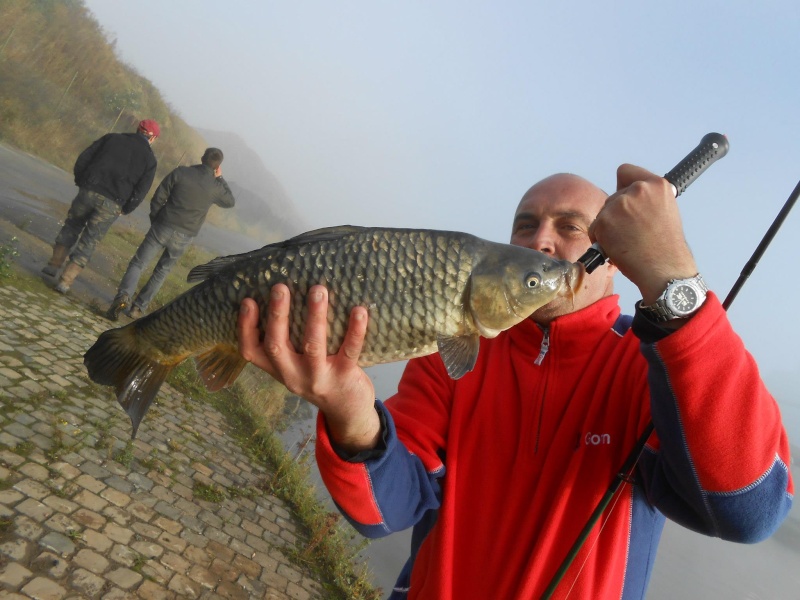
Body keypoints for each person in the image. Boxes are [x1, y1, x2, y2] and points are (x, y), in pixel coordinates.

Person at [236, 164, 794, 599]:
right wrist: (350, 412)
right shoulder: (452, 352)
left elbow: (751, 510)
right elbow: (384, 513)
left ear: (618, 257)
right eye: (525, 225)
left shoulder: (652, 370)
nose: (540, 241)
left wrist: (675, 285)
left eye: (571, 228)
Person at [105, 147, 235, 320]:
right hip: (185, 235)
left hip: (163, 224)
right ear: (217, 166)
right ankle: (137, 309)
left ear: (202, 157)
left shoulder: (181, 172)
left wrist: (156, 219)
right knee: (162, 272)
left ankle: (123, 296)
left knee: (138, 263)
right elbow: (230, 201)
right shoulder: (215, 187)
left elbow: (159, 196)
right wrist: (220, 178)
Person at [43, 119, 159, 294]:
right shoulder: (150, 160)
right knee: (90, 240)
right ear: (153, 138)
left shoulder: (112, 138)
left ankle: (53, 265)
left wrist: (81, 181)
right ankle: (65, 281)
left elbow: (84, 159)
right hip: (113, 203)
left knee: (72, 225)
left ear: (137, 130)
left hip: (89, 190)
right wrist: (126, 208)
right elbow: (141, 191)